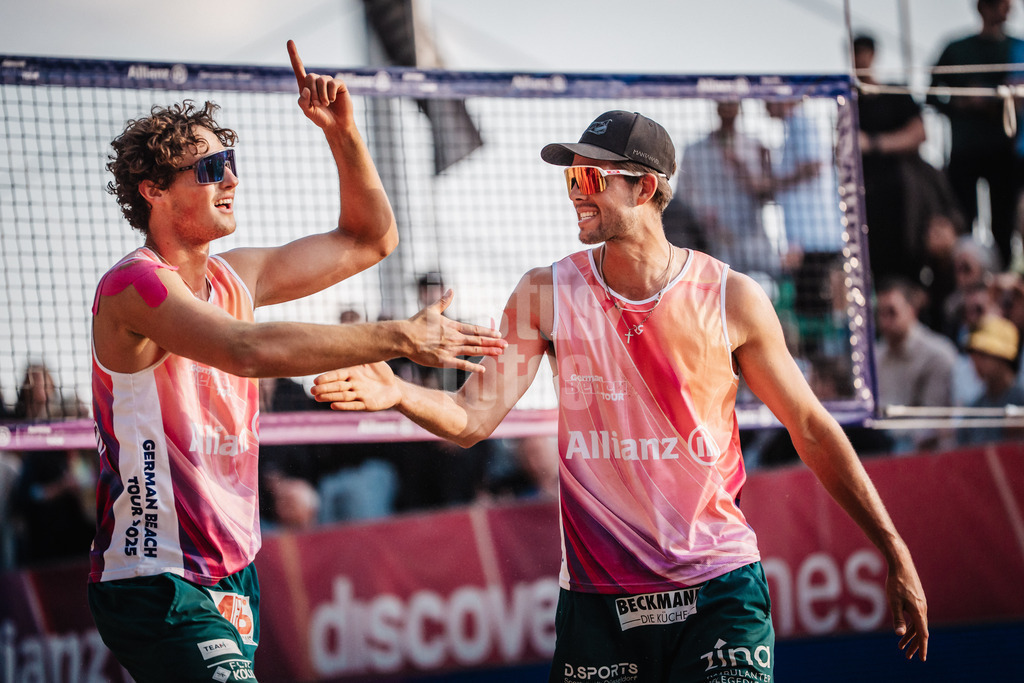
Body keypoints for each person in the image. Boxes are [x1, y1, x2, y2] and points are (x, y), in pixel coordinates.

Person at [313, 110, 929, 680]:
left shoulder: (730, 297)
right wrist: (396, 390)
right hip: (601, 602)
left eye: (589, 176)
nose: (575, 190)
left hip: (718, 586)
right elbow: (472, 418)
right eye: (571, 177)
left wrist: (894, 550)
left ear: (643, 187)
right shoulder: (543, 293)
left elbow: (813, 429)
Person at [86, 41, 505, 683]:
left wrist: (343, 134)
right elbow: (243, 349)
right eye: (210, 168)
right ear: (155, 192)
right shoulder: (133, 286)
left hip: (235, 568)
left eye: (230, 163)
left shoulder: (236, 276)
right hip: (156, 575)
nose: (231, 179)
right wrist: (398, 337)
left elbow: (370, 240)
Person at [927, 0, 1024, 269]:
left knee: (1004, 225)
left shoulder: (1017, 48)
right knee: (964, 221)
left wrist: (993, 97)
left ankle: (1003, 276)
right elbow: (931, 95)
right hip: (964, 152)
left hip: (1005, 152)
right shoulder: (957, 49)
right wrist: (960, 103)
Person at [678, 100, 777, 277]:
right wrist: (703, 216)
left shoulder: (755, 147)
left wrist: (744, 170)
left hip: (753, 242)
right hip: (713, 243)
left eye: (732, 103)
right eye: (725, 103)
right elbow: (682, 197)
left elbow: (768, 195)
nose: (728, 109)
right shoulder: (695, 151)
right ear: (717, 108)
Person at [874, 277, 958, 452]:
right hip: (880, 445)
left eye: (892, 312)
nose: (885, 322)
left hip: (922, 452)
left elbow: (934, 423)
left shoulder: (938, 355)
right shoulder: (875, 355)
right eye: (880, 314)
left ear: (912, 310)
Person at [957, 314, 1024, 444]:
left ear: (1003, 357)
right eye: (974, 354)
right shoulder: (973, 410)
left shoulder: (1021, 400)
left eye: (983, 355)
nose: (976, 361)